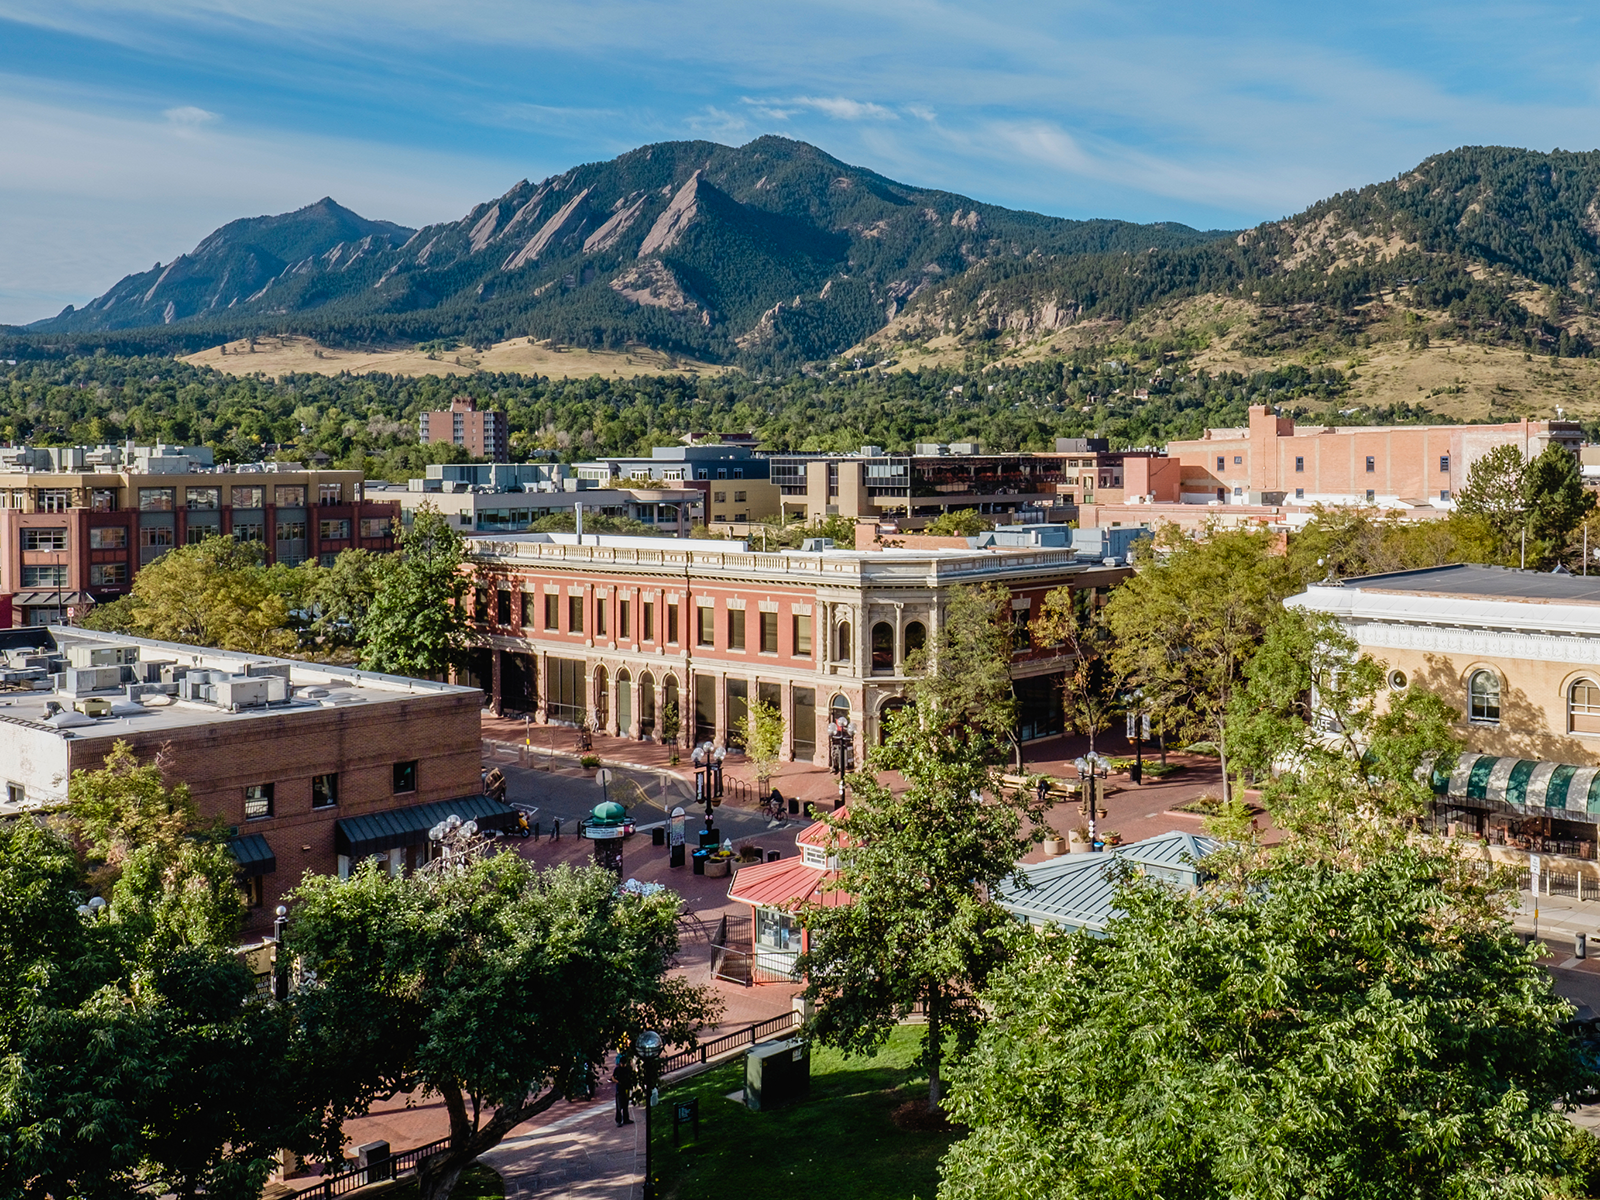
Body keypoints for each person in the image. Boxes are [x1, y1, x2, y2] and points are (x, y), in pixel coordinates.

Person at [613, 1052, 637, 1125]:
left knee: (625, 1105)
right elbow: (613, 1077)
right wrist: (617, 1081)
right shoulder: (617, 1069)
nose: (623, 1065)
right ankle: (619, 1121)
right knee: (619, 1106)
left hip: (626, 1089)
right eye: (622, 1063)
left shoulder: (627, 1069)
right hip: (619, 1090)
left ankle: (626, 1119)